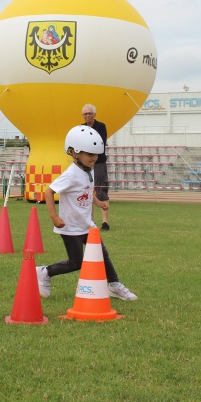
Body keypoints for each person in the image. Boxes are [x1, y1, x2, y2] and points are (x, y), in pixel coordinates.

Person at [37, 125, 137, 301]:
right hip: (71, 227)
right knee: (76, 262)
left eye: (96, 154)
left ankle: (114, 285)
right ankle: (45, 272)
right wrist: (54, 217)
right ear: (75, 153)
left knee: (102, 254)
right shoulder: (71, 174)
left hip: (87, 224)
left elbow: (88, 190)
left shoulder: (89, 170)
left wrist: (98, 203)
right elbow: (49, 192)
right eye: (90, 154)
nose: (94, 158)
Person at [81, 104, 111, 230]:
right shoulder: (81, 128)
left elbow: (100, 143)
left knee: (101, 190)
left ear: (94, 114)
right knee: (87, 190)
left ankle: (105, 222)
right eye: (86, 114)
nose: (88, 115)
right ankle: (90, 220)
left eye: (90, 113)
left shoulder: (101, 126)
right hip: (85, 163)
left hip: (98, 162)